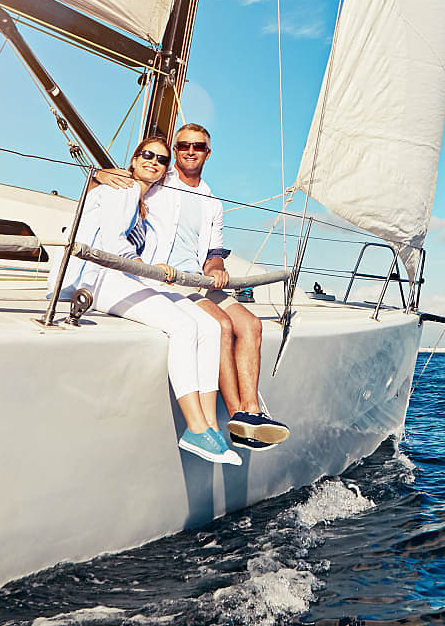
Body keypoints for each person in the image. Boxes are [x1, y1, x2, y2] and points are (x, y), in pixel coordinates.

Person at [96, 124, 289, 452]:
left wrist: (217, 270)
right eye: (183, 145)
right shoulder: (159, 181)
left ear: (207, 153)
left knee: (251, 325)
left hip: (199, 280)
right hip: (167, 279)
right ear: (175, 150)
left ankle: (253, 411)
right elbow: (124, 181)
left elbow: (213, 255)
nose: (189, 150)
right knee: (222, 325)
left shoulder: (212, 202)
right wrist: (100, 174)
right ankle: (238, 417)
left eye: (197, 146)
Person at [51, 136, 240, 466]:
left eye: (162, 159)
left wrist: (156, 271)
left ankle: (210, 424)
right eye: (147, 155)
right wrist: (148, 269)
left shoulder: (143, 202)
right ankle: (195, 428)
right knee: (183, 327)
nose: (154, 161)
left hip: (126, 277)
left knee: (209, 327)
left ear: (166, 170)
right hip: (99, 278)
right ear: (134, 160)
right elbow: (113, 243)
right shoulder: (120, 190)